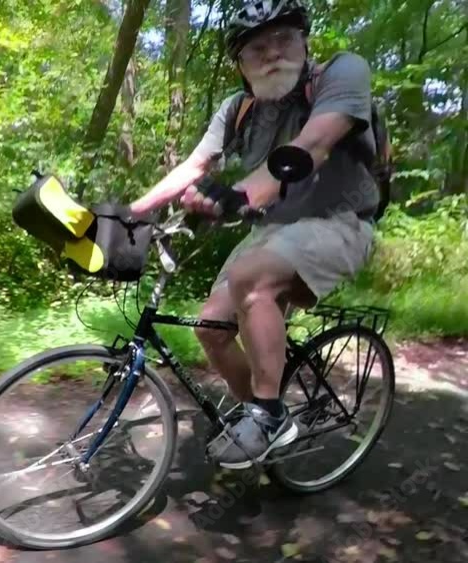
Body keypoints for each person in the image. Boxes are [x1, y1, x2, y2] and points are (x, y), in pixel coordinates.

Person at [127, 0, 380, 469]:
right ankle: (263, 417)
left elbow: (314, 143)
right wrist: (130, 212)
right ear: (240, 65)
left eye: (283, 39)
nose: (272, 54)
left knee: (251, 278)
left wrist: (239, 195)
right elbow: (195, 165)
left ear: (304, 41)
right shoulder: (238, 109)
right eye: (257, 48)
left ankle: (268, 416)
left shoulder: (343, 73)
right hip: (274, 229)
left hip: (340, 222)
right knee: (212, 328)